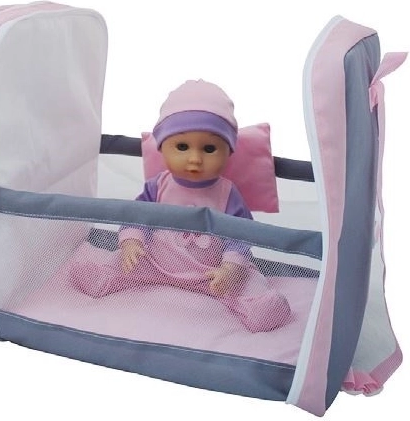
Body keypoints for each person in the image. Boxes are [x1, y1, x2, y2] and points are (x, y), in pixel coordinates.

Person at [70, 79, 291, 332]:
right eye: (182, 147)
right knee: (125, 262)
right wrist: (132, 242)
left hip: (211, 274)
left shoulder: (228, 193)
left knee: (246, 284)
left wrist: (230, 268)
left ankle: (262, 307)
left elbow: (241, 236)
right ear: (162, 148)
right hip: (155, 264)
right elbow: (136, 216)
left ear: (229, 152)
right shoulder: (158, 185)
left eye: (209, 148)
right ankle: (100, 275)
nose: (195, 159)